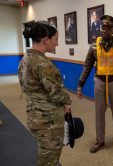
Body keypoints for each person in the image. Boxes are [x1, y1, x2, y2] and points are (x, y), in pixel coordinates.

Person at [18, 21, 72, 166]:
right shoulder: (43, 64)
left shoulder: (25, 60)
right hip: (49, 122)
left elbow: (26, 87)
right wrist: (67, 101)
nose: (57, 43)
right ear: (45, 40)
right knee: (49, 159)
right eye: (55, 39)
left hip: (34, 116)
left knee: (44, 153)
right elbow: (57, 94)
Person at [77, 15, 113, 153]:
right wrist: (80, 84)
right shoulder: (94, 45)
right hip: (99, 81)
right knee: (99, 111)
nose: (104, 30)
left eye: (108, 28)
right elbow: (87, 65)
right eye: (102, 27)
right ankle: (100, 140)